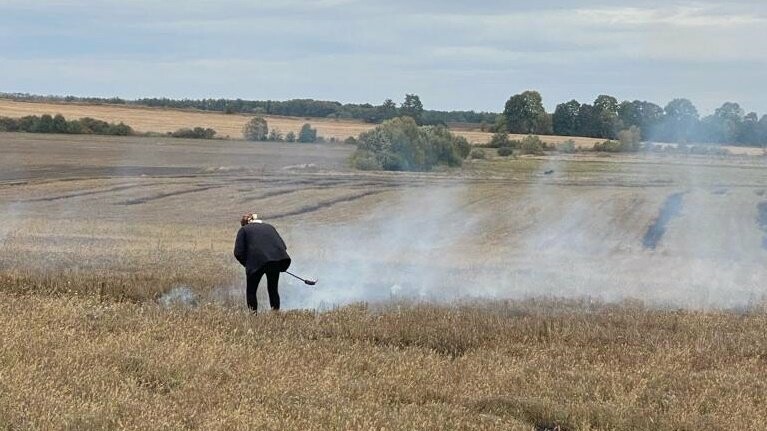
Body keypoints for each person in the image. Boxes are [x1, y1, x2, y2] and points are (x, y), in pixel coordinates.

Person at [233, 213, 291, 311]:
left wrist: (247, 263)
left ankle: (253, 316)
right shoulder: (270, 227)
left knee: (251, 291)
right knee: (273, 290)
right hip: (274, 261)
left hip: (256, 264)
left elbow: (238, 252)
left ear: (245, 223)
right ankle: (275, 314)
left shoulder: (244, 230)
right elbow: (283, 246)